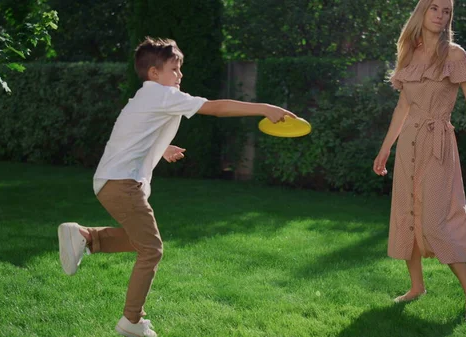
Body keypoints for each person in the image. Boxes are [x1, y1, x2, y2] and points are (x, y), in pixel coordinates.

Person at [57, 37, 296, 337]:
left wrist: (163, 147)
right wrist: (264, 108)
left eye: (180, 68)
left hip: (111, 182)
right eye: (174, 68)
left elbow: (133, 134)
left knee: (142, 242)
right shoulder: (163, 95)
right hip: (123, 184)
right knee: (152, 250)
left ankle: (86, 237)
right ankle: (131, 321)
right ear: (154, 73)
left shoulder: (145, 98)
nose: (180, 75)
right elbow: (217, 108)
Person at [372, 0, 466, 322]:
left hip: (438, 142)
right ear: (421, 12)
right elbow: (403, 108)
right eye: (435, 9)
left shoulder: (454, 54)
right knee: (407, 211)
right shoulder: (409, 54)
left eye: (447, 11)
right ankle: (416, 287)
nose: (441, 16)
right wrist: (385, 148)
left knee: (436, 221)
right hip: (409, 143)